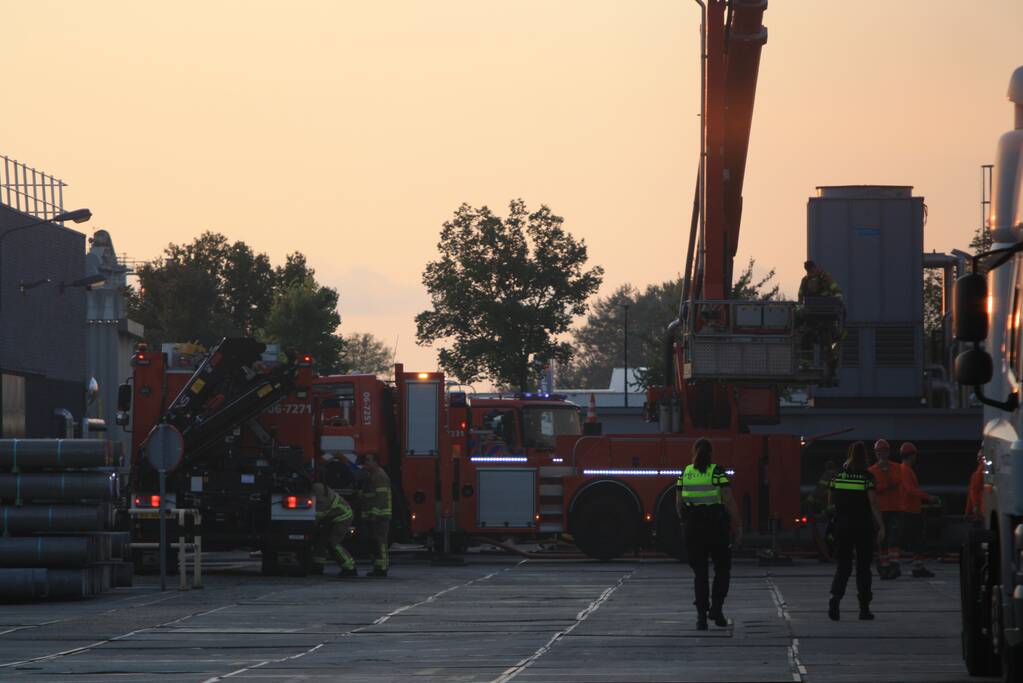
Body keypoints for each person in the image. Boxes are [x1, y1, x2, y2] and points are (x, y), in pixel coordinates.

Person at [675, 438, 743, 630]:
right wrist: (739, 526)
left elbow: (678, 503)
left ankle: (701, 618)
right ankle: (717, 608)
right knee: (722, 568)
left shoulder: (685, 473)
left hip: (693, 528)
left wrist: (685, 521)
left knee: (700, 573)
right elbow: (728, 500)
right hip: (716, 527)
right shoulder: (717, 472)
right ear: (711, 453)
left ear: (694, 452)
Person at [827, 441, 884, 621]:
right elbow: (873, 502)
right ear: (865, 456)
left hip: (842, 526)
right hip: (863, 527)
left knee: (843, 565)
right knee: (863, 567)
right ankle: (864, 609)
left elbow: (830, 502)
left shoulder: (837, 476)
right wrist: (881, 525)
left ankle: (835, 598)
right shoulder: (867, 477)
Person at [899, 442, 939, 578]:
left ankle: (917, 566)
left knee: (916, 540)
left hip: (911, 510)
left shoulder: (905, 469)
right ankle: (918, 568)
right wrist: (928, 497)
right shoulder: (905, 470)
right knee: (917, 540)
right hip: (910, 511)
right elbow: (910, 490)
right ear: (912, 455)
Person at [868, 439, 904, 579]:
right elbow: (872, 489)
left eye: (883, 451)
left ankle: (894, 565)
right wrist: (886, 486)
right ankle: (884, 566)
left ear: (888, 452)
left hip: (895, 509)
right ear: (875, 453)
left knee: (893, 539)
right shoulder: (871, 471)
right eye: (879, 452)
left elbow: (898, 482)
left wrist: (886, 476)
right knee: (881, 540)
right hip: (879, 511)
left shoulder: (897, 468)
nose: (881, 454)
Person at [312, 481, 357, 578]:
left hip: (342, 517)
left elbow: (319, 513)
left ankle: (350, 567)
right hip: (331, 517)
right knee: (321, 542)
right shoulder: (318, 488)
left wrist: (310, 525)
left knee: (333, 543)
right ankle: (317, 566)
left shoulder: (318, 490)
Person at [358, 453, 392, 577]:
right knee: (376, 542)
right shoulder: (372, 476)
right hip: (375, 516)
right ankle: (378, 567)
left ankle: (382, 568)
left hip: (380, 516)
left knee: (381, 542)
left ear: (376, 462)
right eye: (364, 460)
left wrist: (374, 513)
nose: (365, 462)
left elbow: (381, 497)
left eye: (368, 460)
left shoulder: (379, 476)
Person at [965, 449, 985, 521]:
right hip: (982, 509)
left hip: (981, 510)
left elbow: (973, 491)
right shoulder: (981, 470)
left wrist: (974, 507)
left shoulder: (979, 472)